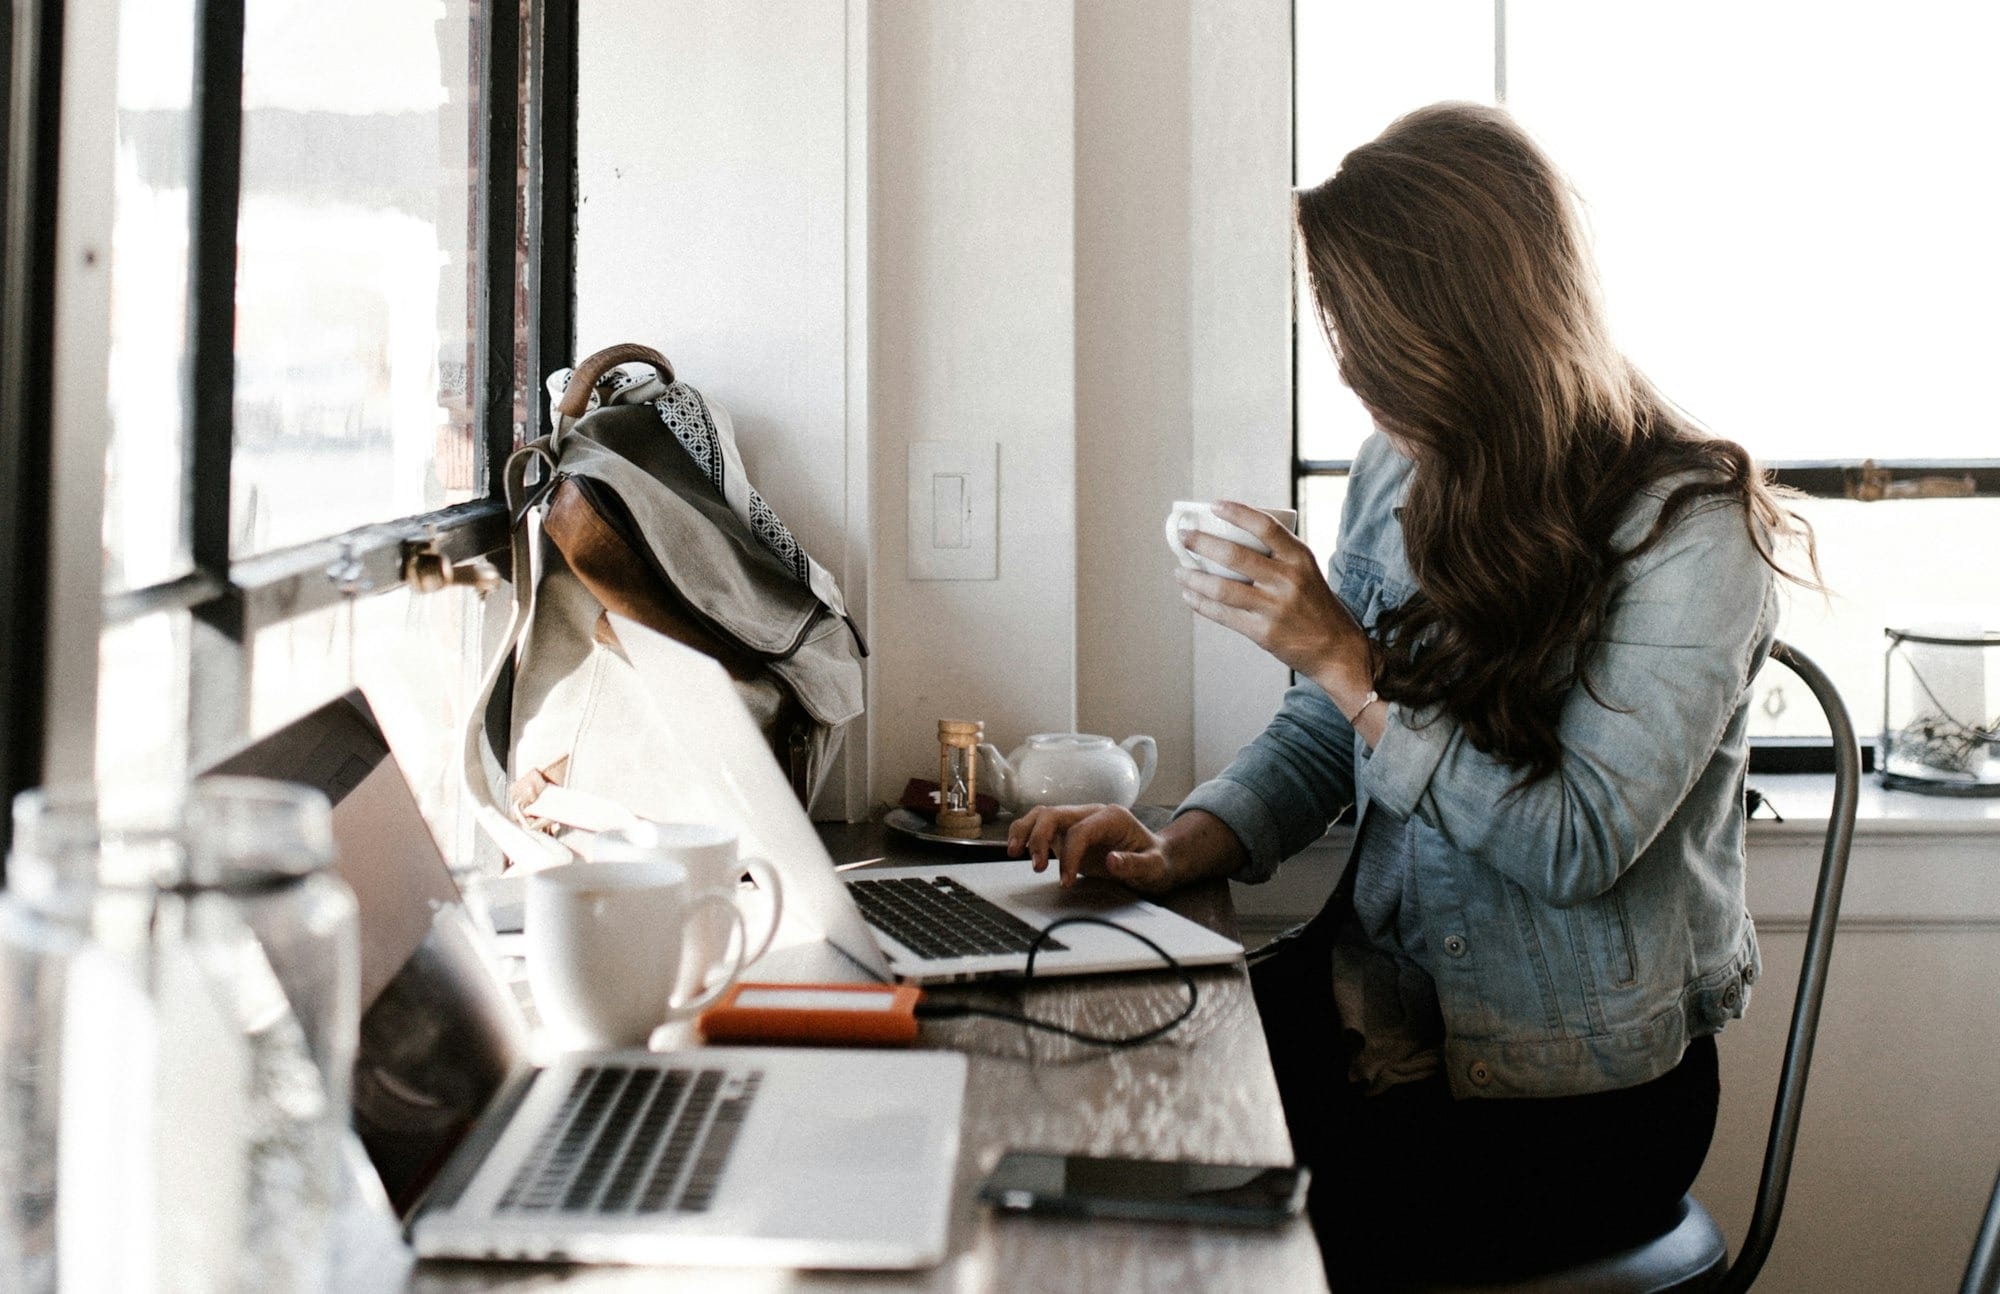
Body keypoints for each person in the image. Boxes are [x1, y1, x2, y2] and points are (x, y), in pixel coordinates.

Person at [1007, 101, 1818, 1288]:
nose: (1346, 365)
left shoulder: (1693, 532)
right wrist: (1185, 843)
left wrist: (1346, 656)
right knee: (1076, 1096)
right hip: (1376, 1016)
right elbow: (1323, 728)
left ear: (1469, 323)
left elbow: (1572, 842)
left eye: (1363, 331)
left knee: (1177, 1225)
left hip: (1567, 1099)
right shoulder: (1404, 462)